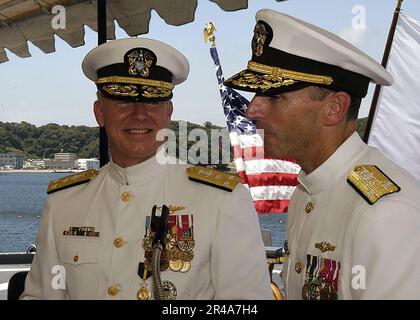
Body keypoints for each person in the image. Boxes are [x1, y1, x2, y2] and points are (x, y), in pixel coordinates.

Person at [21, 38, 272, 300]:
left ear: (169, 112)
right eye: (122, 100)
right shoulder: (64, 202)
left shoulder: (223, 200)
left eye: (152, 101)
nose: (139, 114)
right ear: (99, 113)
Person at [224, 9, 420, 299]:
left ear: (335, 108)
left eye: (274, 96)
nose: (252, 110)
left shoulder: (386, 212)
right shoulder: (307, 190)